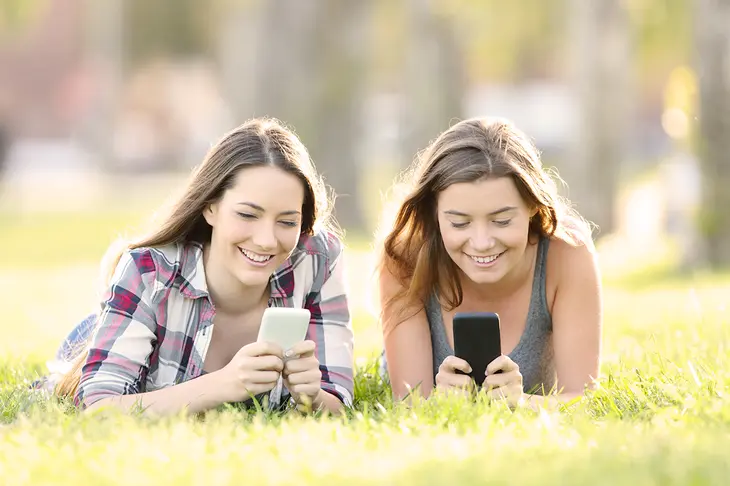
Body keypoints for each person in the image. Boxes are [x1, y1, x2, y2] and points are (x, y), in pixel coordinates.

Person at [51, 117, 354, 416]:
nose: (266, 240)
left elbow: (339, 403)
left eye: (287, 221)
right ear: (210, 206)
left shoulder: (317, 259)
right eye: (248, 215)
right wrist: (222, 384)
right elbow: (99, 410)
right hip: (103, 329)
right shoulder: (150, 272)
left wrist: (312, 396)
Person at [376, 117, 602, 410]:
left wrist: (520, 402)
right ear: (434, 213)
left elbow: (584, 399)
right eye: (459, 223)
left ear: (533, 206)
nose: (482, 242)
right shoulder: (404, 257)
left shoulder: (566, 251)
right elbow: (409, 403)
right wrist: (440, 404)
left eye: (501, 220)